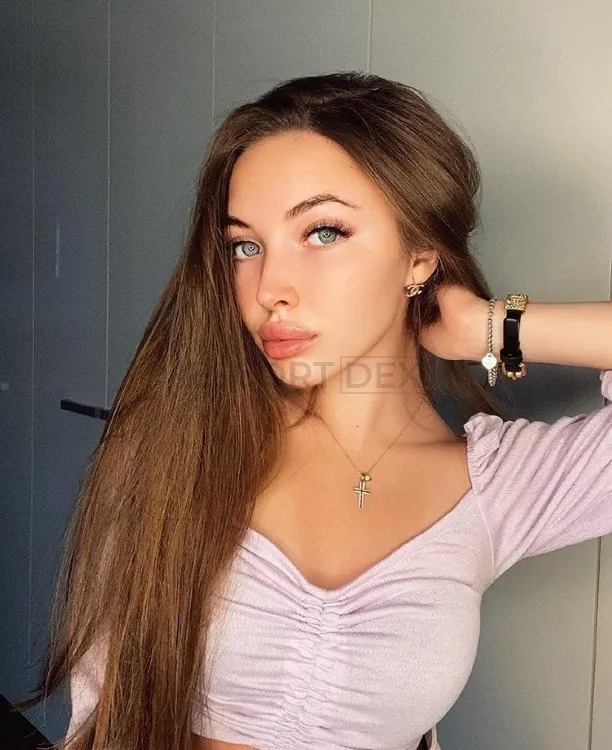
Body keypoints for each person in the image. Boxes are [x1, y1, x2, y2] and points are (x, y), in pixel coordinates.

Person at [16, 72, 611, 750]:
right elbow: (103, 716)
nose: (269, 288)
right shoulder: (177, 444)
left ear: (419, 257)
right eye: (245, 246)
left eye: (323, 232)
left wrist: (490, 327)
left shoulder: (500, 488)